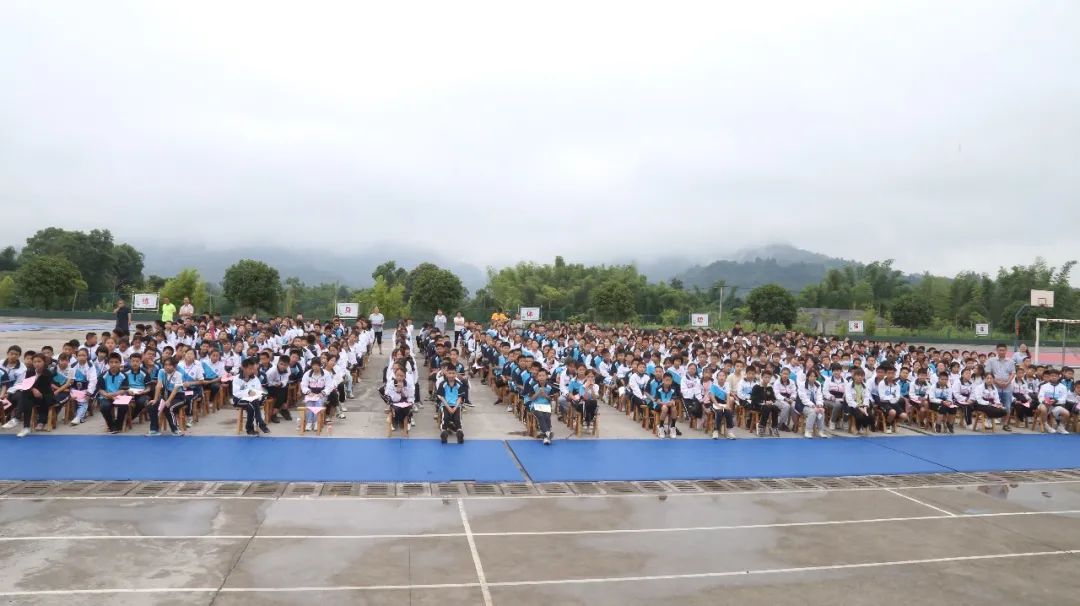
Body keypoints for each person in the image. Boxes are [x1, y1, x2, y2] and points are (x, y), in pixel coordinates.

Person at [232, 359, 270, 436]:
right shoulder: (237, 379)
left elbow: (259, 390)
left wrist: (258, 394)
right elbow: (236, 393)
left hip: (253, 400)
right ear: (243, 368)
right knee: (253, 403)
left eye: (253, 369)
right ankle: (260, 423)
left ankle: (250, 428)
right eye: (250, 369)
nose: (252, 371)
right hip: (239, 400)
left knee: (251, 405)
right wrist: (248, 392)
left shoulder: (255, 378)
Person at [436, 364, 467, 444]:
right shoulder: (443, 384)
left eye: (453, 373)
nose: (451, 375)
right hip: (445, 405)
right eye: (449, 373)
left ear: (456, 374)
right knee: (445, 417)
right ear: (446, 374)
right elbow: (442, 397)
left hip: (456, 405)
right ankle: (443, 432)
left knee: (457, 418)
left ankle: (459, 432)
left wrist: (455, 407)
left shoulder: (459, 385)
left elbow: (460, 398)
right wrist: (449, 408)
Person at [986, 343, 1016, 419]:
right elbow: (988, 373)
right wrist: (997, 382)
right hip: (994, 386)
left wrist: (1008, 382)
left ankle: (1005, 423)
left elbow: (1012, 373)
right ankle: (992, 420)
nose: (1002, 352)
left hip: (1007, 387)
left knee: (1007, 406)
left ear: (1006, 350)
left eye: (1003, 350)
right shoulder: (991, 361)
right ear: (997, 350)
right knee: (993, 405)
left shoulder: (1010, 361)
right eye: (1000, 350)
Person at [1037, 368, 1070, 434]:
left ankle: (1060, 427)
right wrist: (1044, 401)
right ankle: (1046, 426)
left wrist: (1056, 401)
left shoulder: (1063, 387)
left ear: (1058, 377)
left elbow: (1064, 399)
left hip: (1056, 406)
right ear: (1049, 377)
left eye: (1056, 376)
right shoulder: (1044, 386)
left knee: (1067, 413)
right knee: (1043, 408)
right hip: (1045, 405)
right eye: (1052, 375)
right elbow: (1040, 396)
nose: (1054, 377)